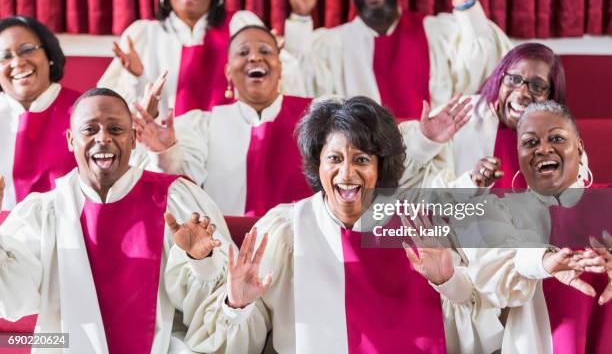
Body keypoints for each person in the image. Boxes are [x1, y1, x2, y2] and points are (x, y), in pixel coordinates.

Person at [174, 97, 500, 353]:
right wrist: (238, 305)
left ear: (381, 166)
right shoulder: (287, 231)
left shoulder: (418, 224)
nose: (346, 174)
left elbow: (477, 338)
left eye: (361, 159)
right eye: (334, 159)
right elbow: (245, 341)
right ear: (318, 164)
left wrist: (447, 281)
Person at [0, 88, 233, 353]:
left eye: (116, 129)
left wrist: (201, 261)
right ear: (70, 140)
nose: (103, 138)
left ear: (133, 138)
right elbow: (14, 299)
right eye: (89, 129)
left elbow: (215, 303)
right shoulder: (45, 213)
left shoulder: (175, 199)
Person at [276, 0, 511, 120]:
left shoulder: (437, 31)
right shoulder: (332, 43)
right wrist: (300, 16)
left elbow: (485, 67)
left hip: (439, 163)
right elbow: (298, 85)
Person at [458, 101, 611, 353]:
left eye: (556, 138)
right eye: (530, 142)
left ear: (580, 147)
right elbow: (487, 270)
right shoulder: (500, 211)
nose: (543, 149)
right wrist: (541, 261)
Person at [132, 25, 313, 217]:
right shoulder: (203, 126)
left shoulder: (316, 116)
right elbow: (181, 182)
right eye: (243, 52)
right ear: (228, 72)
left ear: (280, 66)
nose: (254, 57)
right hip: (225, 243)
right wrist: (164, 154)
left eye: (265, 51)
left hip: (298, 241)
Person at [98, 0, 265, 118]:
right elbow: (109, 112)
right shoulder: (143, 35)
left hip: (232, 141)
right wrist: (133, 77)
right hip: (160, 142)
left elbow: (278, 89)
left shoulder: (242, 27)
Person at [402, 42, 567, 189]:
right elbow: (404, 182)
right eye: (514, 79)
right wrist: (425, 141)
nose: (521, 93)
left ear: (551, 96)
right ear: (500, 79)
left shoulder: (559, 135)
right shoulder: (457, 115)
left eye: (537, 86)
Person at [0, 16, 80, 211]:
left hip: (69, 236)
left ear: (49, 55)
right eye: (5, 56)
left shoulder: (85, 110)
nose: (18, 62)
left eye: (27, 50)